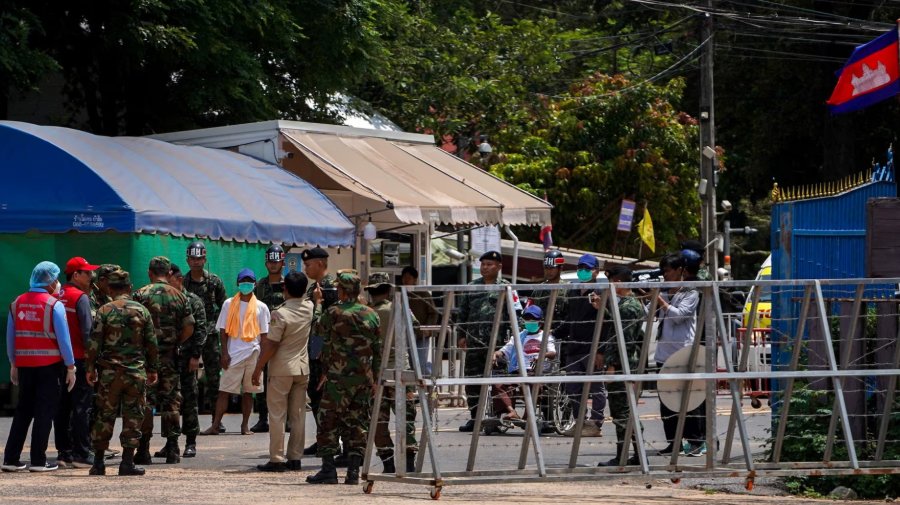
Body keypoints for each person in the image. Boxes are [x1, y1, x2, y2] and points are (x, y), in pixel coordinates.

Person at [306, 269, 381, 485]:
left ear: (342, 290)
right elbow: (378, 348)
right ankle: (353, 472)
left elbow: (317, 328)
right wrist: (375, 379)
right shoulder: (371, 314)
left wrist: (318, 304)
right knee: (357, 424)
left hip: (337, 379)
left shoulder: (334, 312)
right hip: (363, 380)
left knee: (327, 422)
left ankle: (329, 470)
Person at [3, 261, 76, 473]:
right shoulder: (54, 305)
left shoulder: (16, 303)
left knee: (23, 411)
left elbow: (10, 337)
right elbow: (64, 339)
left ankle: (11, 459)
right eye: (56, 279)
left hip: (25, 366)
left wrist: (13, 363)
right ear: (51, 281)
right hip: (49, 367)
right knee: (45, 412)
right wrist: (70, 366)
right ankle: (38, 460)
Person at [85, 270, 159, 476]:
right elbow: (151, 344)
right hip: (135, 373)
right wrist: (153, 369)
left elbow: (93, 342)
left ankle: (98, 463)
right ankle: (127, 462)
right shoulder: (142, 311)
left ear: (109, 289)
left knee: (104, 416)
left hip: (109, 373)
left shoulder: (104, 310)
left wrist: (90, 368)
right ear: (129, 287)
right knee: (133, 416)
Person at [133, 256, 195, 464]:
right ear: (169, 274)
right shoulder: (180, 296)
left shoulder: (140, 295)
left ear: (150, 273)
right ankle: (172, 448)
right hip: (170, 357)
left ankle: (143, 449)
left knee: (146, 402)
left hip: (146, 358)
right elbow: (189, 326)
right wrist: (176, 341)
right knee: (171, 403)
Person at [252, 271, 312, 472]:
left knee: (277, 415)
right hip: (302, 368)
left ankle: (276, 458)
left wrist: (258, 368)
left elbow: (271, 345)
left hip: (281, 369)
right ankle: (295, 457)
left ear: (285, 289)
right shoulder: (310, 307)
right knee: (298, 415)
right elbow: (314, 303)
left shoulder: (280, 313)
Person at [201, 268, 269, 436]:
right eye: (243, 281)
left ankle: (245, 426)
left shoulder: (261, 307)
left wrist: (261, 361)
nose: (246, 284)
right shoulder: (229, 304)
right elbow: (222, 331)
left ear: (254, 284)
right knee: (224, 391)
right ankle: (215, 425)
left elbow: (264, 335)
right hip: (233, 355)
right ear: (238, 284)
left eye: (249, 281)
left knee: (248, 392)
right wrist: (224, 353)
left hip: (253, 352)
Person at [368, 272, 419, 474]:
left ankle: (388, 464)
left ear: (371, 291)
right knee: (406, 419)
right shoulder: (399, 308)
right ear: (388, 290)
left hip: (378, 375)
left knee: (379, 422)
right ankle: (409, 463)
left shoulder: (368, 313)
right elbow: (415, 326)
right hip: (402, 372)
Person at [154, 264, 207, 459]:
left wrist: (195, 356)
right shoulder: (165, 300)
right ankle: (170, 442)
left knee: (189, 398)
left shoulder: (193, 300)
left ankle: (191, 441)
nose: (168, 285)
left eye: (171, 281)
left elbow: (200, 330)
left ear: (179, 279)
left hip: (186, 358)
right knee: (169, 401)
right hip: (168, 359)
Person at [456, 250, 511, 432]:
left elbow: (513, 314)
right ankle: (475, 417)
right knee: (473, 382)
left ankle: (495, 418)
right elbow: (462, 314)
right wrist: (461, 336)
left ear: (499, 267)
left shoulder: (506, 287)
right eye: (483, 264)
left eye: (489, 264)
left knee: (497, 383)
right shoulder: (472, 286)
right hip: (474, 343)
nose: (485, 267)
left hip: (497, 345)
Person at [597, 265, 645, 467]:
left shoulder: (627, 306)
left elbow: (623, 340)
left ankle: (623, 456)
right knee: (626, 410)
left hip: (623, 366)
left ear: (617, 282)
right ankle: (636, 454)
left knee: (622, 412)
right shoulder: (626, 305)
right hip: (626, 364)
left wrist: (613, 365)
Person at [653, 252, 702, 456]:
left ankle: (696, 442)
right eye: (663, 271)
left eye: (668, 271)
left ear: (680, 270)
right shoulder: (663, 292)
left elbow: (680, 316)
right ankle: (673, 442)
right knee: (666, 402)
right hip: (663, 354)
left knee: (688, 402)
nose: (665, 275)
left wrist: (661, 302)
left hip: (683, 353)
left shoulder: (690, 293)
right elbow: (648, 312)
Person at [54, 256, 99, 469]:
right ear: (75, 275)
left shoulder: (54, 297)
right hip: (79, 360)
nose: (91, 276)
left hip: (57, 361)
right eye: (87, 273)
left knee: (62, 407)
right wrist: (92, 363)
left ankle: (64, 453)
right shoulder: (80, 298)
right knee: (82, 407)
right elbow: (87, 332)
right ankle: (81, 453)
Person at [553, 254, 606, 437]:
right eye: (580, 268)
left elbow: (607, 322)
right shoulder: (573, 292)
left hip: (592, 348)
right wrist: (552, 334)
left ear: (596, 272)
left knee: (596, 388)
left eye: (587, 268)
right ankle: (580, 421)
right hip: (574, 347)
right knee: (573, 388)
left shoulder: (601, 292)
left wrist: (601, 351)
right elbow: (569, 320)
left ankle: (596, 423)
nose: (583, 271)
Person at [182, 241, 227, 428]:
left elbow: (224, 305)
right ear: (187, 260)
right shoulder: (183, 282)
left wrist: (216, 325)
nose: (196, 262)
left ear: (204, 259)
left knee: (213, 379)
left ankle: (217, 421)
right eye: (192, 258)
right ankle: (190, 420)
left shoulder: (214, 281)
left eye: (199, 258)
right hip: (190, 335)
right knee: (187, 378)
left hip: (210, 335)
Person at [300, 247, 338, 457]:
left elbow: (330, 324)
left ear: (321, 264)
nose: (305, 268)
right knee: (316, 399)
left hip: (324, 354)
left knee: (325, 400)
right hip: (313, 353)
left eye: (308, 264)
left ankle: (331, 442)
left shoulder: (330, 287)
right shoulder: (312, 288)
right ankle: (322, 439)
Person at [490, 305, 556, 423]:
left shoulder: (545, 336)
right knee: (497, 384)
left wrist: (542, 355)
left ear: (540, 321)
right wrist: (496, 354)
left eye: (533, 319)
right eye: (527, 319)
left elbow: (552, 353)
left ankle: (527, 417)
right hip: (517, 371)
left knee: (533, 385)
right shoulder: (518, 336)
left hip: (534, 371)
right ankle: (512, 411)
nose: (529, 322)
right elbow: (504, 351)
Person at [251, 244, 287, 434]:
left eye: (277, 261)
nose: (273, 265)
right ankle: (262, 418)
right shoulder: (260, 286)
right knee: (262, 377)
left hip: (284, 338)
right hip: (264, 337)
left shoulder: (289, 284)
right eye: (270, 261)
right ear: (266, 263)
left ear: (282, 262)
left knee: (283, 377)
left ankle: (287, 419)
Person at [401, 266, 439, 376]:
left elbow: (433, 313)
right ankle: (411, 389)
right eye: (404, 278)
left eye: (409, 278)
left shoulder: (423, 294)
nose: (406, 280)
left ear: (415, 279)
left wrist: (428, 328)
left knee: (421, 363)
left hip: (421, 335)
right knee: (407, 364)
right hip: (404, 335)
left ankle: (429, 385)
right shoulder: (399, 293)